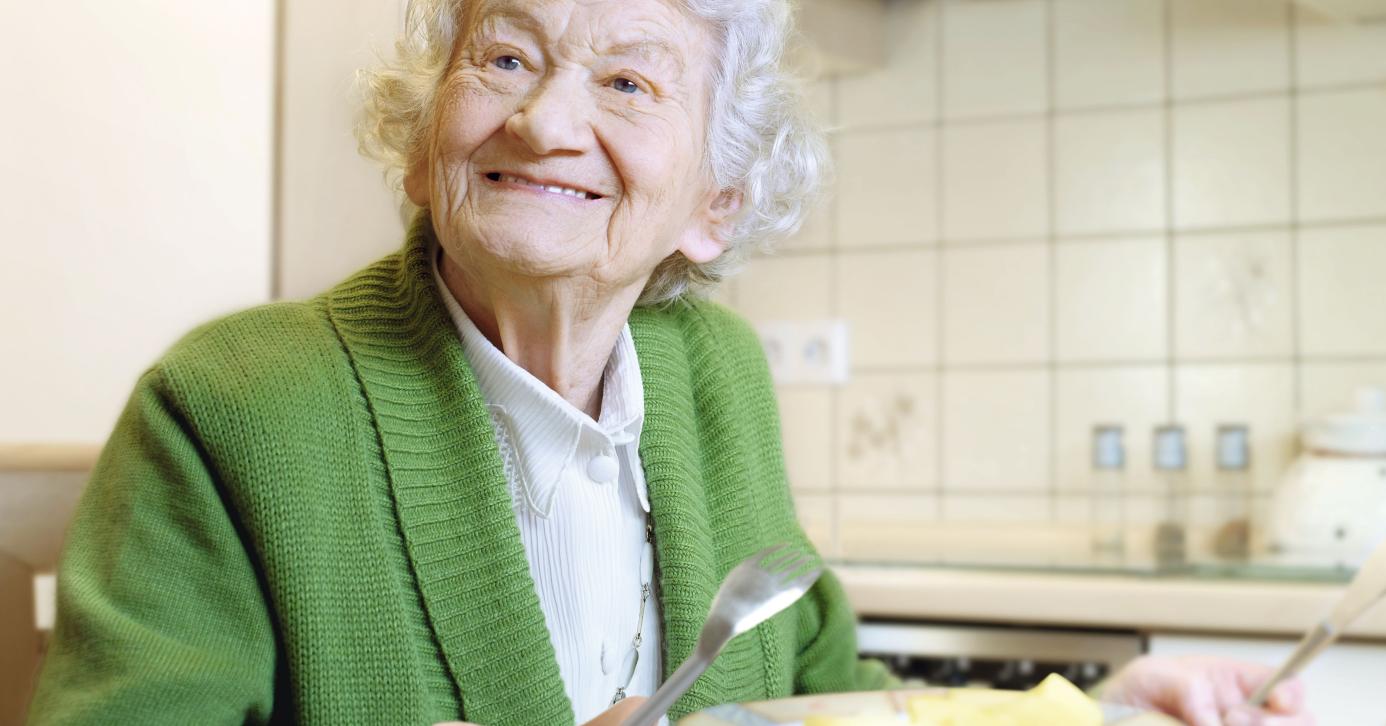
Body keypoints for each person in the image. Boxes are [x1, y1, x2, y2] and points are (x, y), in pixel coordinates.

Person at [27, 1, 1311, 724]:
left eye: (630, 83)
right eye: (507, 54)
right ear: (424, 143)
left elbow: (822, 700)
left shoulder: (714, 381)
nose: (545, 118)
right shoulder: (235, 408)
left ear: (718, 201)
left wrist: (1095, 707)